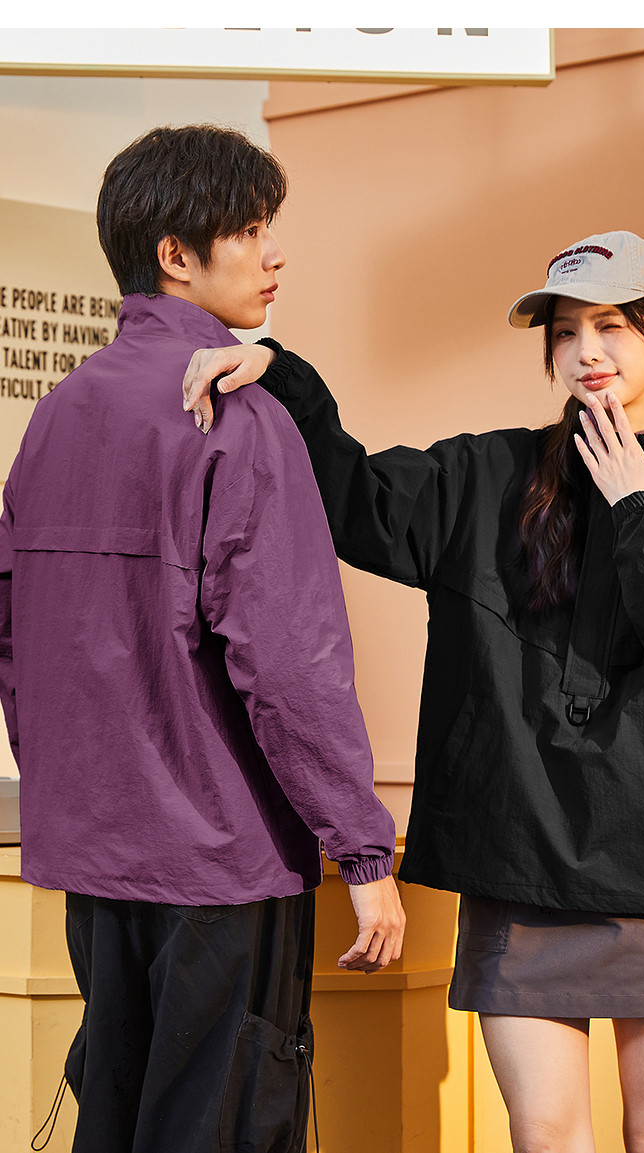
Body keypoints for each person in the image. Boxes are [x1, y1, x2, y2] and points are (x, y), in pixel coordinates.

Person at [181, 229, 644, 1153]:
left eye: (611, 325)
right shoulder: (486, 475)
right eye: (564, 330)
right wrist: (282, 374)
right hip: (520, 865)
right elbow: (357, 503)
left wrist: (641, 510)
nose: (584, 351)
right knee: (544, 1135)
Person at [0, 124, 405, 1153]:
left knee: (118, 1114)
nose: (275, 254)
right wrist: (363, 851)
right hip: (224, 859)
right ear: (175, 253)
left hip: (98, 857)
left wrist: (73, 790)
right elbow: (291, 662)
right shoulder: (237, 416)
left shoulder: (58, 414)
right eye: (251, 230)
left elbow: (17, 639)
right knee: (224, 1128)